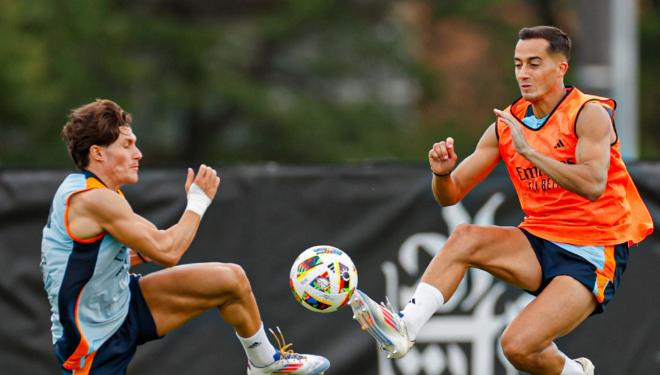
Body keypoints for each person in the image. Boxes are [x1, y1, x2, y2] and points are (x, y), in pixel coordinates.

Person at [349, 25, 654, 375]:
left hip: (592, 252)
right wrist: (443, 174)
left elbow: (593, 184)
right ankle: (404, 328)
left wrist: (531, 151)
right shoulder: (507, 124)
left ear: (561, 68)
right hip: (539, 239)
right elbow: (450, 197)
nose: (523, 73)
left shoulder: (589, 114)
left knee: (518, 347)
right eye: (518, 64)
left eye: (534, 63)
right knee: (465, 237)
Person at [40, 99, 330, 375]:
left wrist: (142, 252)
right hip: (91, 340)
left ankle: (265, 363)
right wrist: (198, 202)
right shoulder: (94, 199)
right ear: (98, 153)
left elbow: (92, 262)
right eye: (127, 145)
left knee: (231, 280)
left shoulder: (98, 193)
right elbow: (168, 252)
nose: (137, 153)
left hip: (122, 303)